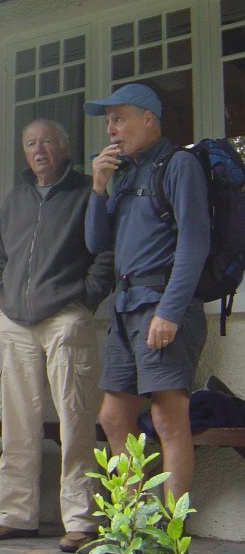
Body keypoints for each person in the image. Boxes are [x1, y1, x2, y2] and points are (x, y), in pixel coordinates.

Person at [0, 119, 113, 553]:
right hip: (16, 322)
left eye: (47, 141)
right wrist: (2, 298)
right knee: (18, 423)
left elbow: (106, 251)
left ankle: (81, 519)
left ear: (64, 147)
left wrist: (85, 298)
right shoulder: (15, 199)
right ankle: (16, 514)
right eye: (31, 142)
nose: (39, 150)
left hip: (65, 318)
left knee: (75, 420)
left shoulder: (87, 191)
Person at [84, 83, 209, 512]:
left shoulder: (179, 165)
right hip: (125, 308)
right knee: (113, 417)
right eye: (108, 122)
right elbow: (97, 241)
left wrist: (170, 311)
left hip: (163, 307)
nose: (111, 130)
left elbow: (195, 243)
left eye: (119, 119)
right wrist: (98, 188)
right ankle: (134, 528)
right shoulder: (123, 173)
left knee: (167, 419)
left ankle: (173, 538)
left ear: (148, 118)